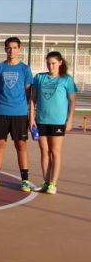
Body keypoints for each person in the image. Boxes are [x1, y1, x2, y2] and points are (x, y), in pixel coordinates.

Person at [0, 37, 33, 192]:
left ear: (19, 49)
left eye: (14, 47)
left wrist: (20, 105)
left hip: (19, 113)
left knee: (21, 145)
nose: (11, 51)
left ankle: (25, 180)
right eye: (8, 48)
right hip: (1, 112)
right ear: (5, 49)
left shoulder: (25, 69)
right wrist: (1, 102)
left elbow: (28, 91)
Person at [29, 51, 78, 195]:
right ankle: (46, 181)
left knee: (55, 152)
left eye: (53, 63)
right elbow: (33, 99)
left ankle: (53, 183)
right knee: (44, 152)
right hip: (41, 121)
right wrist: (31, 119)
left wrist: (69, 120)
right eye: (48, 63)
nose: (50, 66)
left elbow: (72, 101)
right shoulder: (39, 77)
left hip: (58, 121)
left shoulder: (66, 79)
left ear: (60, 63)